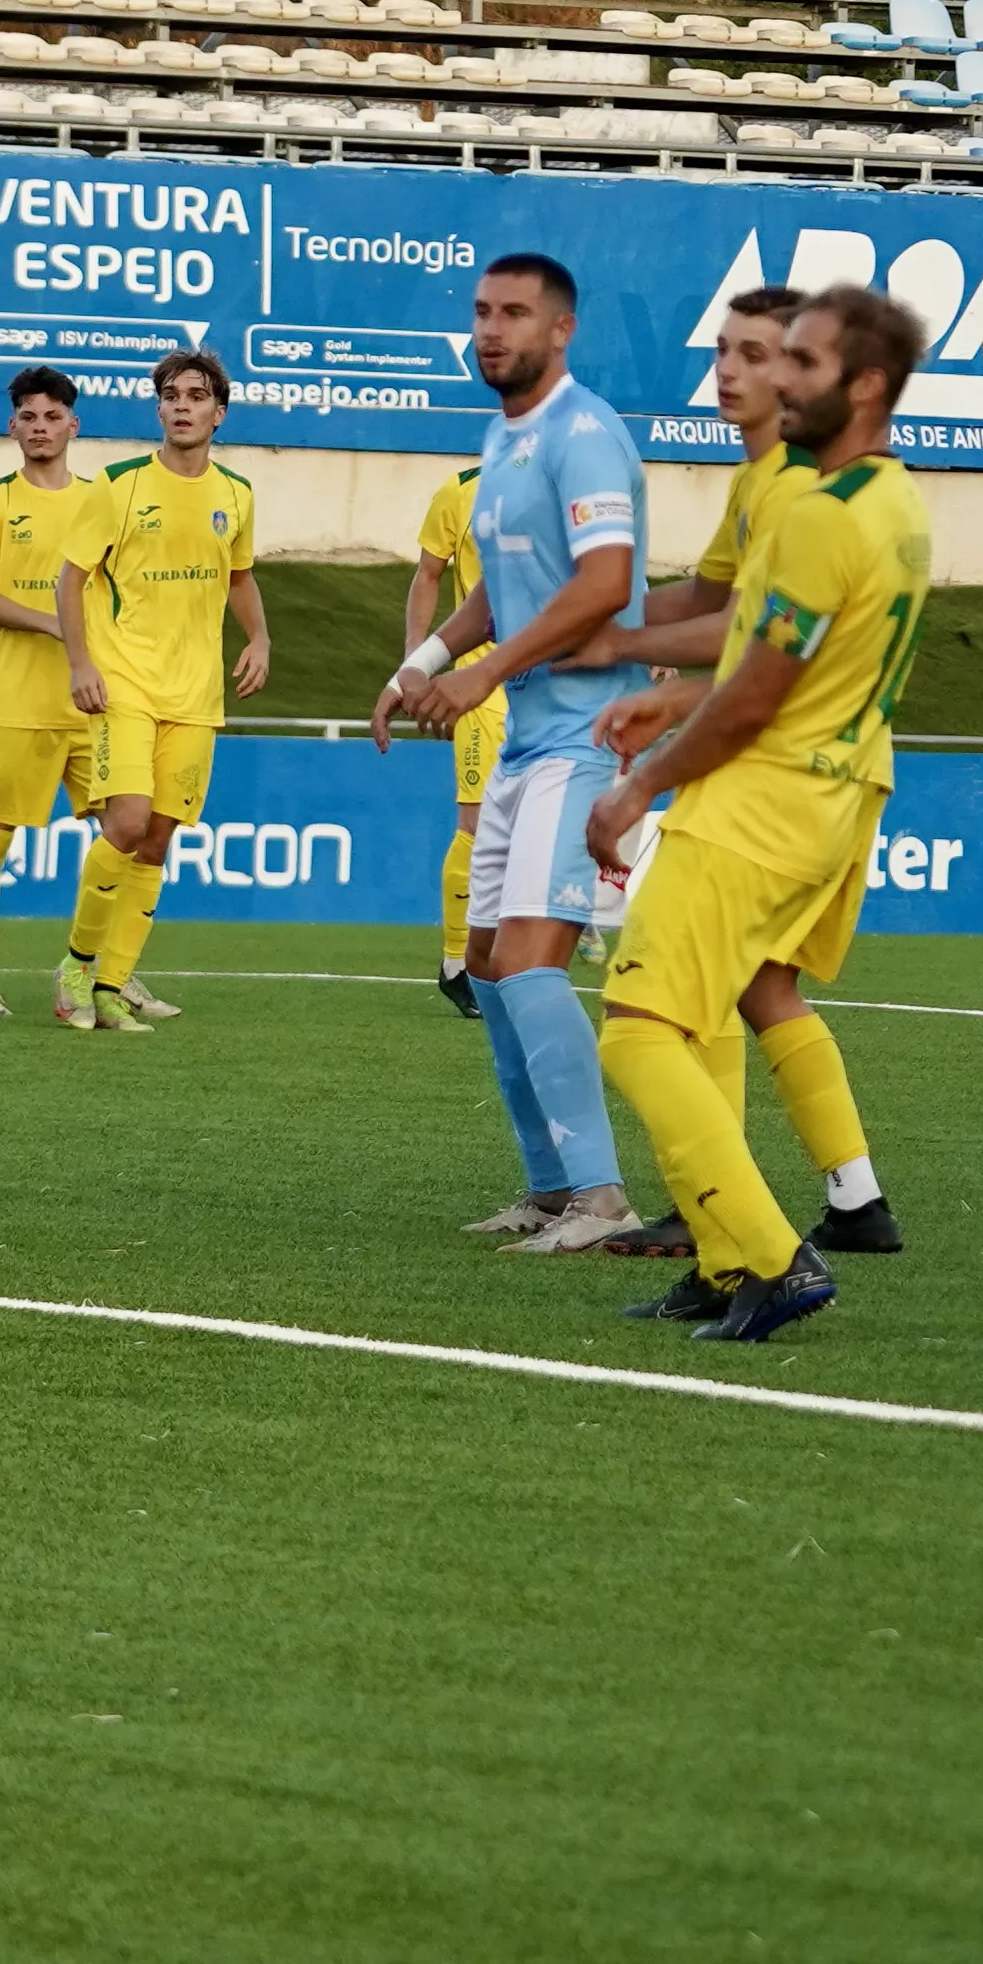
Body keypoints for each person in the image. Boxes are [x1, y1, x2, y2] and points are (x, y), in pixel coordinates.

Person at [584, 283, 936, 1345]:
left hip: (757, 802)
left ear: (862, 386)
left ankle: (774, 1254)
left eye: (798, 362)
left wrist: (639, 779)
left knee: (636, 1029)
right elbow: (759, 658)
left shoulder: (820, 515)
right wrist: (669, 692)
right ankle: (728, 1248)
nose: (774, 377)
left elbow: (751, 690)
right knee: (704, 1012)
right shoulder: (891, 502)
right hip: (815, 794)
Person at [374, 254, 646, 1254]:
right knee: (487, 965)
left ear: (560, 329)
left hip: (582, 735)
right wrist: (425, 659)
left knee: (530, 960)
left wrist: (481, 676)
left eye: (514, 313)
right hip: (528, 741)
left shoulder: (583, 435)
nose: (489, 329)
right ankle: (547, 1185)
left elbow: (605, 583)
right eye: (481, 311)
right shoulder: (502, 441)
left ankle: (601, 1195)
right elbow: (501, 588)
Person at [46, 347, 268, 1033]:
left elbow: (239, 575)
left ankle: (113, 985)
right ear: (159, 408)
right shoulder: (118, 485)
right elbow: (70, 578)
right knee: (128, 821)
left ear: (218, 412)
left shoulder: (236, 494)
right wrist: (82, 663)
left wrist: (260, 638)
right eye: (170, 394)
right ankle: (77, 966)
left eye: (196, 395)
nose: (181, 405)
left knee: (160, 839)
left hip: (197, 695)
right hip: (126, 684)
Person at [0, 367, 104, 1018]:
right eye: (28, 416)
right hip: (12, 701)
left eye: (52, 415)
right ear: (12, 425)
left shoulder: (103, 500)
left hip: (93, 699)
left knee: (124, 835)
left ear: (74, 423)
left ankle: (109, 972)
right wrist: (57, 623)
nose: (40, 427)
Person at [403, 456, 498, 1017]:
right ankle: (456, 962)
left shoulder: (574, 484)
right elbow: (429, 574)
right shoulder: (462, 492)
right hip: (479, 685)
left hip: (551, 684)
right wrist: (416, 662)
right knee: (477, 823)